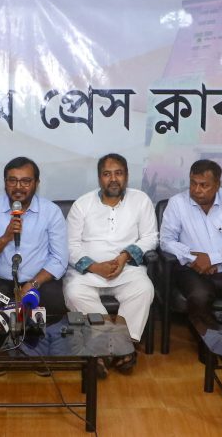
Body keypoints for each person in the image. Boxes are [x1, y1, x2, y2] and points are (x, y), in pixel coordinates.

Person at [62, 154, 157, 374]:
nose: (113, 179)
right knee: (74, 292)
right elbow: (70, 245)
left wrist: (124, 256)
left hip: (126, 269)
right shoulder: (82, 204)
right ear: (99, 178)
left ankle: (109, 349)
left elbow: (150, 237)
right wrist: (96, 267)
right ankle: (116, 346)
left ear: (126, 176)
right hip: (89, 272)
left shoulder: (141, 200)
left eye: (118, 173)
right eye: (107, 174)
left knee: (144, 289)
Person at [160, 159, 222, 329]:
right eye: (193, 183)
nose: (196, 190)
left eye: (204, 185)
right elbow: (166, 241)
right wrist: (194, 258)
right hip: (193, 271)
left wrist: (212, 259)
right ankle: (206, 337)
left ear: (217, 184)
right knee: (199, 297)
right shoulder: (177, 203)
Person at [0, 156, 68, 313]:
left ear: (36, 183)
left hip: (38, 282)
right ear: (5, 182)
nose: (18, 187)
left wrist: (34, 283)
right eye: (12, 181)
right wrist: (5, 238)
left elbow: (59, 258)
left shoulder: (51, 212)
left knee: (52, 305)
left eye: (25, 181)